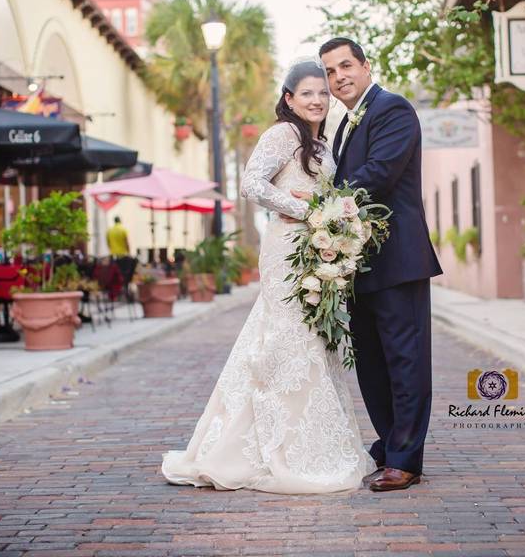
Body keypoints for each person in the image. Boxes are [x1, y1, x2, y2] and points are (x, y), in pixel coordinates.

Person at [160, 57, 376, 494]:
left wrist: (333, 220)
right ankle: (275, 448)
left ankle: (313, 442)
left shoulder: (320, 142)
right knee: (288, 338)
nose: (317, 99)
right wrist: (310, 211)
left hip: (314, 251)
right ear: (289, 99)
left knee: (314, 337)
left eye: (322, 92)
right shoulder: (282, 135)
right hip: (285, 249)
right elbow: (251, 184)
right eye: (307, 93)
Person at [318, 37, 442, 492]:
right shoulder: (344, 124)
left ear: (366, 66)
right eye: (330, 72)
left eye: (346, 66)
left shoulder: (393, 109)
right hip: (359, 264)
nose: (338, 78)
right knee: (370, 362)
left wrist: (321, 201)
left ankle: (406, 459)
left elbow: (378, 174)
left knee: (405, 361)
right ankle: (390, 446)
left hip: (398, 259)